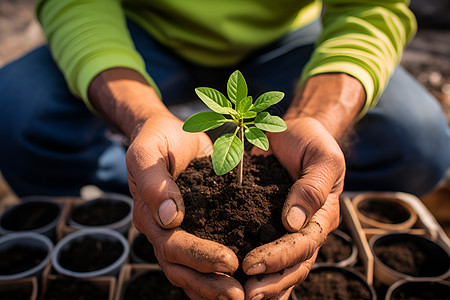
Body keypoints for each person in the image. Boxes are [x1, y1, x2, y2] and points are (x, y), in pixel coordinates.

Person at [0, 0, 449, 299]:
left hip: (287, 37)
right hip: (139, 30)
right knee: (17, 113)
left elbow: (370, 8)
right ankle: (147, 189)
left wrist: (315, 118)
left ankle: (323, 207)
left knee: (418, 141)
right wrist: (143, 117)